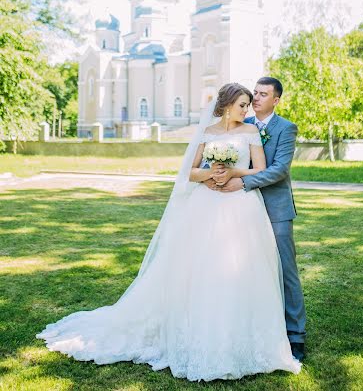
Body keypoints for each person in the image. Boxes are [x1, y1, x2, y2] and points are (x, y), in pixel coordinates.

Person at [36, 82, 301, 381]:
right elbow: (191, 171)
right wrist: (211, 175)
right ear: (227, 105)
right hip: (207, 203)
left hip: (242, 204)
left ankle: (270, 335)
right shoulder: (209, 132)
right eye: (242, 103)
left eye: (251, 102)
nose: (247, 108)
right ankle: (198, 330)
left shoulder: (252, 131)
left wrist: (233, 172)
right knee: (201, 268)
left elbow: (261, 168)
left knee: (245, 269)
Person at [204, 77, 306, 362]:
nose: (257, 98)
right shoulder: (240, 121)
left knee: (285, 271)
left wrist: (242, 183)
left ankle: (296, 335)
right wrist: (216, 173)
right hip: (241, 211)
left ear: (276, 100)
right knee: (244, 271)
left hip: (275, 209)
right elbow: (212, 158)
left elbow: (279, 170)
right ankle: (253, 328)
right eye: (256, 93)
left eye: (264, 95)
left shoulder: (285, 128)